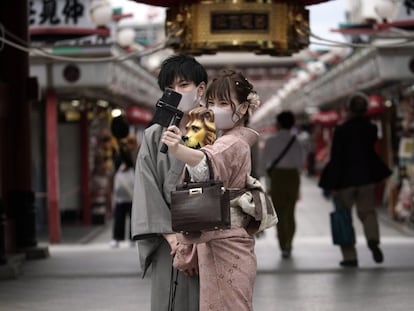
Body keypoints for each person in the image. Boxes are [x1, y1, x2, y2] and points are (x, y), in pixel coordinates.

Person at [162, 70, 260, 311]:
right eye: (212, 103)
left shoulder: (231, 142)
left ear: (243, 108)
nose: (215, 109)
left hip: (225, 239)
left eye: (224, 103)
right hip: (226, 237)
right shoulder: (228, 139)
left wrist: (177, 149)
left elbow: (205, 163)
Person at [131, 54, 208, 311]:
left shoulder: (212, 131)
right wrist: (174, 239)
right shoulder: (154, 135)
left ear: (200, 89)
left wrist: (196, 242)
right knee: (169, 301)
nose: (176, 92)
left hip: (209, 240)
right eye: (169, 89)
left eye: (183, 85)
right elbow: (146, 185)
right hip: (169, 240)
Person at [318, 92, 392, 267]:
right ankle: (373, 240)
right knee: (367, 212)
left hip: (345, 181)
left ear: (348, 109)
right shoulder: (371, 129)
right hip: (366, 177)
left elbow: (337, 158)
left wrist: (332, 184)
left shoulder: (341, 130)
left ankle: (350, 256)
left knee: (344, 216)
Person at [262, 111, 305, 259]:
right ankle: (289, 243)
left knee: (279, 213)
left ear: (278, 124)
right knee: (291, 212)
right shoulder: (297, 141)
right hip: (293, 177)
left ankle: (283, 245)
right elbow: (300, 163)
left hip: (277, 177)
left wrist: (267, 183)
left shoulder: (270, 141)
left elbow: (264, 164)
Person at [110, 135, 139, 248]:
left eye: (132, 142)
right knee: (119, 216)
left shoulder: (136, 153)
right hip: (121, 192)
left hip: (132, 190)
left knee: (133, 216)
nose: (130, 145)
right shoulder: (119, 155)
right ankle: (117, 238)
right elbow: (115, 168)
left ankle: (133, 237)